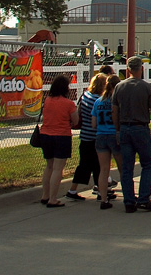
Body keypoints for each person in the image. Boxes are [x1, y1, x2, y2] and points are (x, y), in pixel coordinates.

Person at [113, 56, 151, 213]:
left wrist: (117, 129)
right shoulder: (147, 88)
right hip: (141, 128)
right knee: (147, 164)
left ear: (127, 70)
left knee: (127, 167)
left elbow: (114, 111)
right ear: (142, 68)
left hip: (125, 128)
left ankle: (128, 200)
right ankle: (143, 198)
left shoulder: (119, 87)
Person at [38, 75, 79, 207]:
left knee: (49, 166)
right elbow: (76, 121)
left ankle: (45, 195)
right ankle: (53, 198)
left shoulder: (48, 101)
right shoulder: (69, 104)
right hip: (62, 136)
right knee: (58, 169)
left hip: (46, 135)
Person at [64, 72, 105, 201]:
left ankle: (73, 189)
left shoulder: (86, 96)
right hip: (95, 135)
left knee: (85, 164)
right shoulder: (98, 100)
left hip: (85, 135)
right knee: (98, 165)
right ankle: (100, 191)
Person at [92, 74, 120, 210]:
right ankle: (129, 195)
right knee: (122, 168)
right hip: (114, 135)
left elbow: (93, 123)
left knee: (103, 170)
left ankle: (103, 199)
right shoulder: (117, 101)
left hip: (101, 135)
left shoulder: (98, 102)